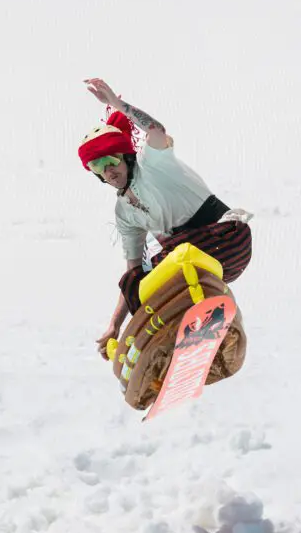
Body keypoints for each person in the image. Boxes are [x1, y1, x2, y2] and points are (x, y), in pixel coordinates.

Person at [79, 78, 252, 359]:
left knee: (166, 261)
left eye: (111, 160)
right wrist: (115, 325)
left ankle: (192, 328)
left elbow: (156, 130)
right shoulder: (124, 212)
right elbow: (133, 271)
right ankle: (164, 348)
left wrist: (117, 104)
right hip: (195, 261)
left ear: (126, 156)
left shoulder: (152, 164)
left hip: (227, 238)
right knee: (135, 281)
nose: (108, 171)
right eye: (98, 166)